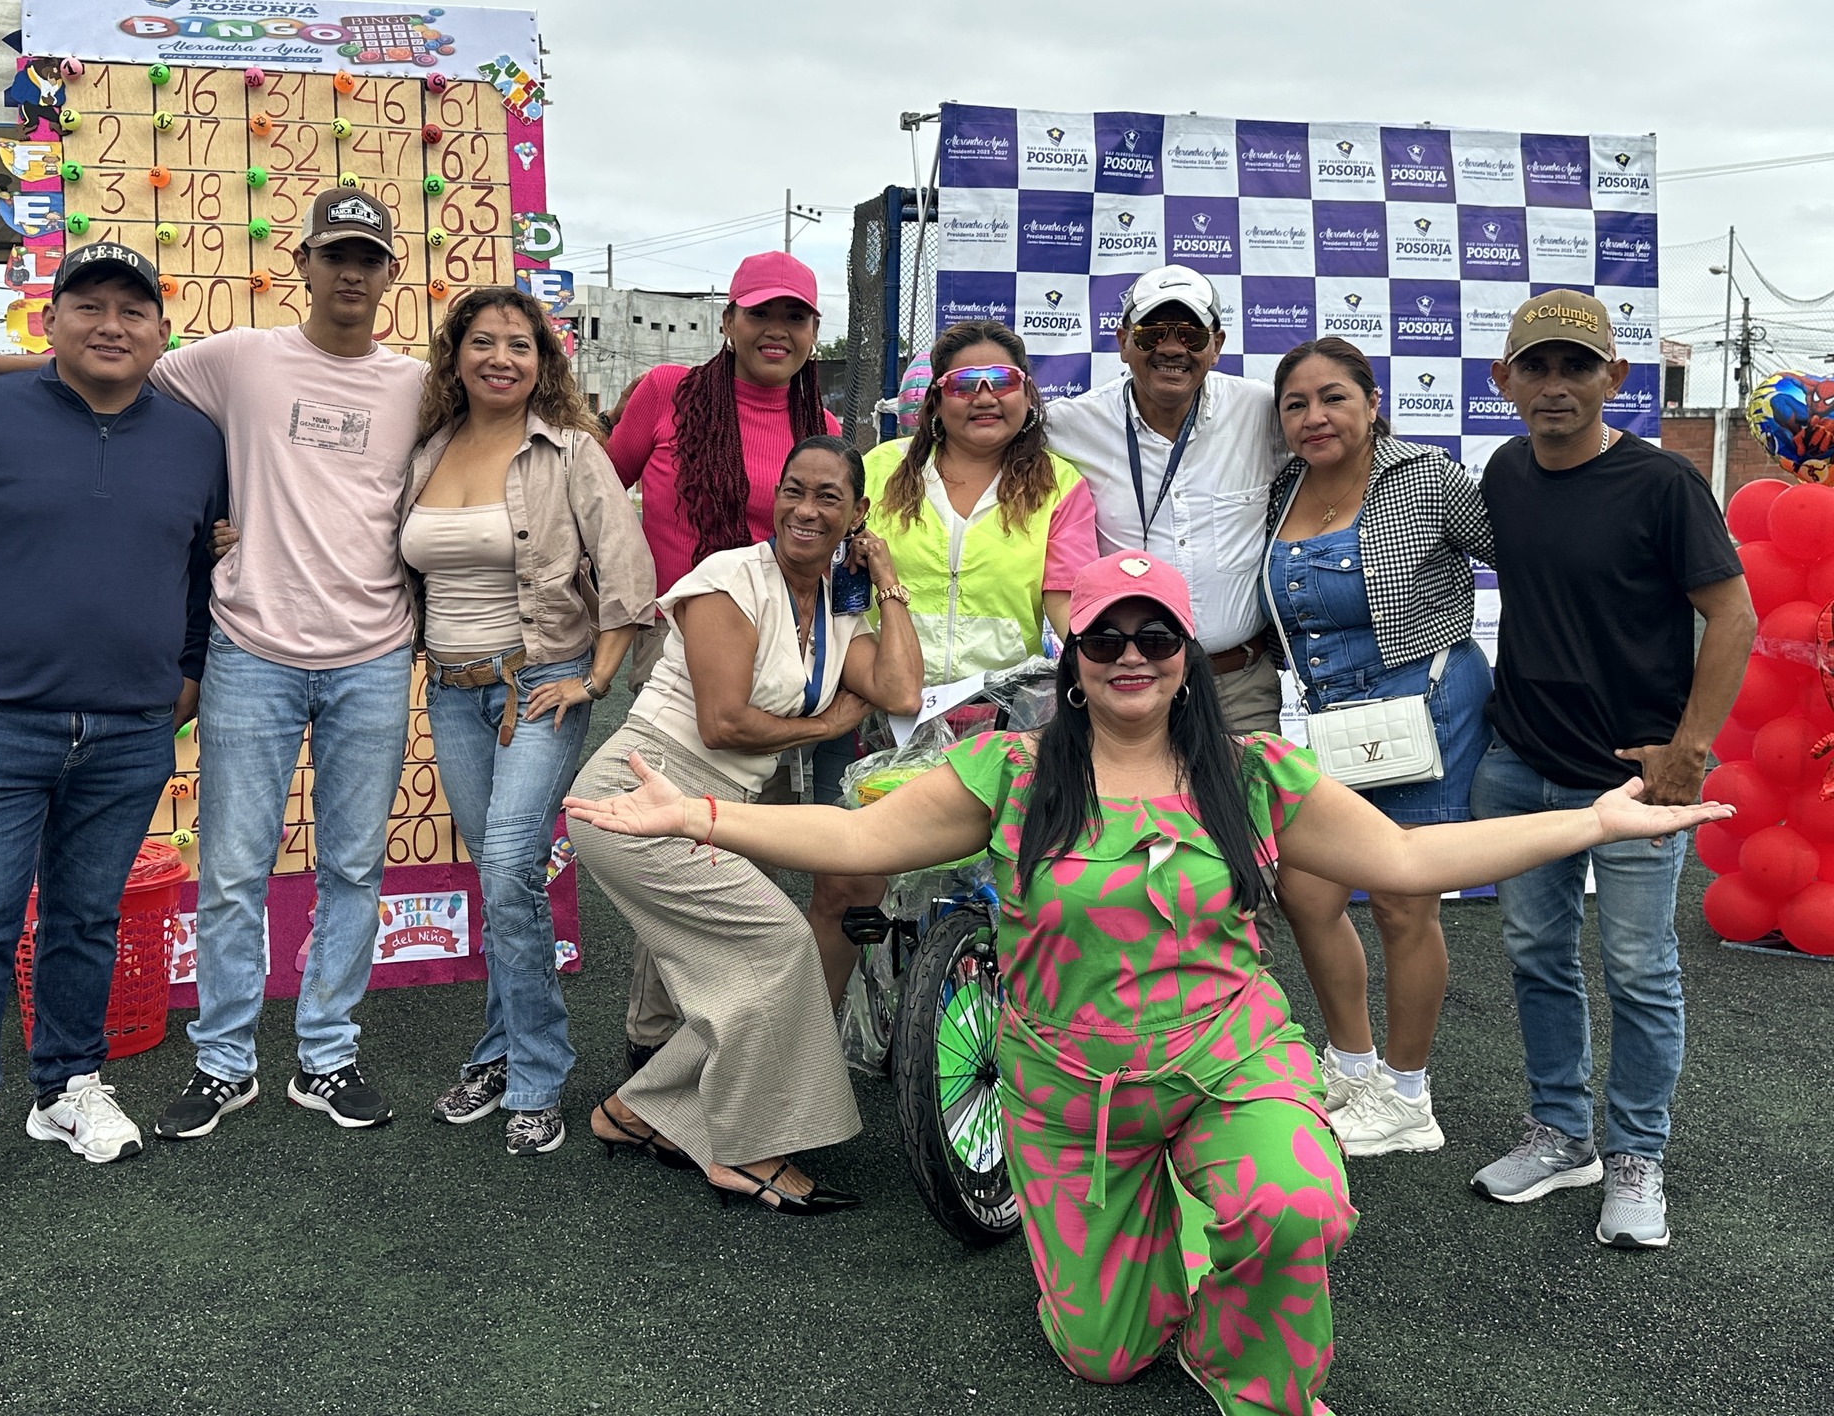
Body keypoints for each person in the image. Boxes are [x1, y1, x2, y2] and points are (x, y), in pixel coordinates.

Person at [565, 550, 1726, 1411]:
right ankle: (1164, 1226)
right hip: (1070, 1095)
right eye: (1105, 636)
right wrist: (699, 815)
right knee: (1103, 1356)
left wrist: (1592, 822)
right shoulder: (1011, 772)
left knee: (1294, 1206)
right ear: (1074, 662)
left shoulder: (1256, 774)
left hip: (1227, 1061)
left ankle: (1251, 1360)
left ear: (1184, 661)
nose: (1129, 653)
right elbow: (858, 840)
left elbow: (1413, 859)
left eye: (1154, 635)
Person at [0, 188, 425, 1136]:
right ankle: (225, 1062)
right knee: (231, 871)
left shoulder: (419, 386)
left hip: (375, 655)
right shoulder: (241, 358)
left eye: (369, 258)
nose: (351, 273)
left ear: (391, 272)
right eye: (335, 255)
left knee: (354, 868)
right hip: (252, 650)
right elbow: (107, 361)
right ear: (304, 264)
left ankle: (326, 1054)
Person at [0, 243, 224, 1228]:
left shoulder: (196, 439)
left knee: (85, 918)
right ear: (50, 322)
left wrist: (189, 669)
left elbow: (203, 569)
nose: (111, 325)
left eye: (132, 311)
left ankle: (66, 1085)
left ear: (161, 331)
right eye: (88, 306)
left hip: (129, 728)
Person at [564, 436, 922, 1211]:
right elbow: (724, 723)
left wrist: (887, 580)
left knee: (753, 969)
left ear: (857, 515)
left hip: (706, 811)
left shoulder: (836, 608)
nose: (806, 509)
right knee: (781, 946)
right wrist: (828, 725)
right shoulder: (729, 578)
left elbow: (899, 690)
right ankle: (746, 1151)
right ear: (776, 497)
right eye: (795, 490)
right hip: (638, 794)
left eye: (828, 497)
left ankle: (637, 1113)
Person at [1467, 289, 1755, 1249]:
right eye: (1537, 367)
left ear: (1615, 378)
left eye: (1577, 367)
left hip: (1635, 781)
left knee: (1639, 968)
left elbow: (1735, 614)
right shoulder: (1504, 472)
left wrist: (1690, 749)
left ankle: (1636, 1156)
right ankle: (1561, 1135)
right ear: (1504, 380)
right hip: (1521, 764)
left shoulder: (1664, 484)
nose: (1556, 386)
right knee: (1535, 955)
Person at [398, 287, 654, 1156]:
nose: (501, 358)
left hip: (539, 685)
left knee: (510, 864)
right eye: (484, 341)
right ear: (456, 355)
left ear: (543, 362)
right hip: (450, 689)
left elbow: (627, 575)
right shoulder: (428, 452)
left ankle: (537, 1074)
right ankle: (497, 1051)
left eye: (520, 344)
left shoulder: (570, 452)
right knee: (500, 878)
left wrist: (596, 679)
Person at [804, 322, 1096, 1001]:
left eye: (1004, 381)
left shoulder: (1061, 485)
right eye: (965, 383)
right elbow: (831, 583)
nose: (985, 396)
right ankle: (811, 1041)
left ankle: (983, 1026)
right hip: (880, 710)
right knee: (847, 885)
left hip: (1004, 720)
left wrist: (1089, 677)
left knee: (998, 891)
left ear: (1028, 395)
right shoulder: (880, 470)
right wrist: (856, 675)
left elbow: (1064, 604)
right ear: (936, 398)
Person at [1257, 337, 1498, 1159]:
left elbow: (1522, 553)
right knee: (1308, 893)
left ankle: (1407, 1096)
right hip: (1337, 723)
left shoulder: (1426, 475)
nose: (1315, 416)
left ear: (1372, 402)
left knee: (1402, 903)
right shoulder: (1283, 486)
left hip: (1427, 706)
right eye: (1296, 404)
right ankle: (1352, 1068)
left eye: (1333, 397)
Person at [604, 251, 843, 1068]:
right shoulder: (667, 391)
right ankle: (654, 1040)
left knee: (727, 856)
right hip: (677, 647)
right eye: (760, 312)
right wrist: (616, 603)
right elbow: (599, 494)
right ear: (728, 320)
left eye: (795, 317)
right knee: (679, 856)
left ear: (814, 331)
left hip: (778, 654)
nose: (777, 331)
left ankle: (705, 1037)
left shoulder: (822, 425)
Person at [1046, 265, 1289, 734]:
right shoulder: (1069, 424)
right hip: (1128, 683)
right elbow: (985, 447)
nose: (1173, 348)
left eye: (1192, 335)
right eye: (1152, 332)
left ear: (1216, 346)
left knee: (1250, 787)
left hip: (1237, 685)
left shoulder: (1264, 412)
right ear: (1123, 342)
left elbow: (1341, 447)